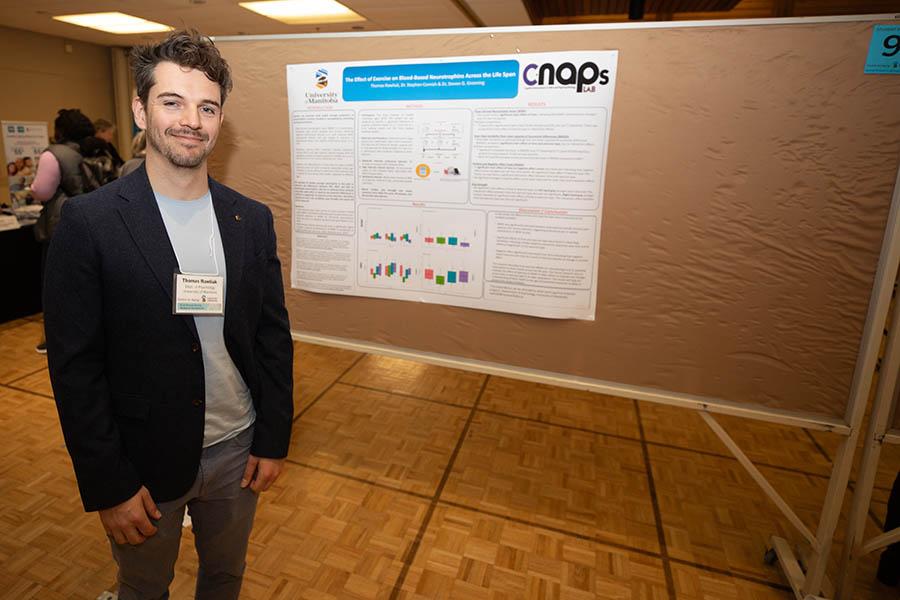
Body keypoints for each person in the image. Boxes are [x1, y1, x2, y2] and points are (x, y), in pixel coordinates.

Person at [43, 30, 294, 600]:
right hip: (143, 459)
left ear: (220, 118)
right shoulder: (91, 224)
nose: (191, 120)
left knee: (225, 578)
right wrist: (109, 484)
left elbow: (272, 335)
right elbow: (75, 367)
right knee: (144, 587)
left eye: (206, 107)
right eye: (172, 102)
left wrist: (273, 436)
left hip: (237, 449)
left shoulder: (249, 220)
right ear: (140, 108)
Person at [30, 108, 96, 354]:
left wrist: (32, 189)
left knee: (55, 285)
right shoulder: (92, 150)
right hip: (92, 221)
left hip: (62, 224)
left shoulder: (54, 155)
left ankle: (56, 340)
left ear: (59, 131)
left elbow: (43, 191)